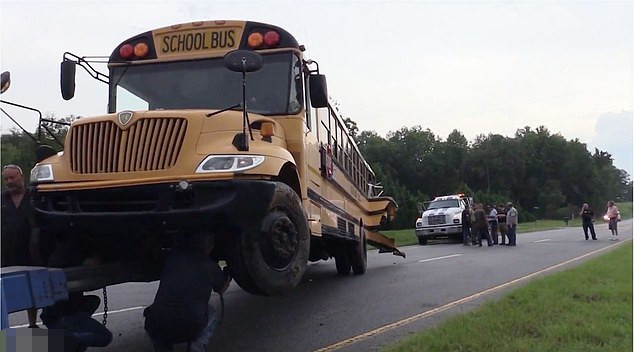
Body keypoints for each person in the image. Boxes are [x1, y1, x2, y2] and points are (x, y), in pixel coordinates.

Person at [144, 232, 231, 352]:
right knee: (212, 314)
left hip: (157, 325)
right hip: (189, 326)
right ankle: (197, 346)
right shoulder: (210, 266)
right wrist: (228, 275)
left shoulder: (172, 257)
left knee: (157, 318)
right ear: (209, 245)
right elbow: (222, 289)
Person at [1, 164, 41, 328]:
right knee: (6, 292)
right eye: (6, 178)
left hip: (32, 252)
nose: (9, 181)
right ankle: (5, 328)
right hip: (7, 252)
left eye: (12, 177)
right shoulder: (1, 199)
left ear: (21, 177)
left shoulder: (35, 196)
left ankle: (33, 324)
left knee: (32, 290)